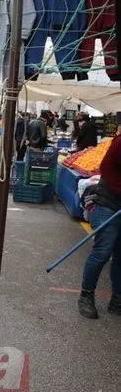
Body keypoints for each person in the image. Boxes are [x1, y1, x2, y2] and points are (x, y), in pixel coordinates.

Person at [78, 134, 121, 319]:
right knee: (103, 250)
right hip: (107, 202)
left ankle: (117, 299)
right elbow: (106, 167)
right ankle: (86, 295)